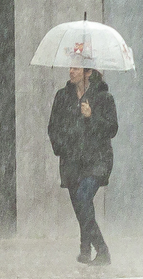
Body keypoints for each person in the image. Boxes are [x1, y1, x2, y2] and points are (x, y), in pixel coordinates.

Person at [48, 66, 118, 265]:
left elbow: (112, 128)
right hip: (71, 160)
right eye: (70, 67)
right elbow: (53, 126)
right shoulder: (62, 97)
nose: (71, 71)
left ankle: (102, 250)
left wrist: (91, 117)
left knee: (83, 197)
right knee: (81, 206)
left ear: (88, 72)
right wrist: (61, 146)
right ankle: (85, 249)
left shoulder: (104, 98)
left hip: (97, 160)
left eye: (76, 68)